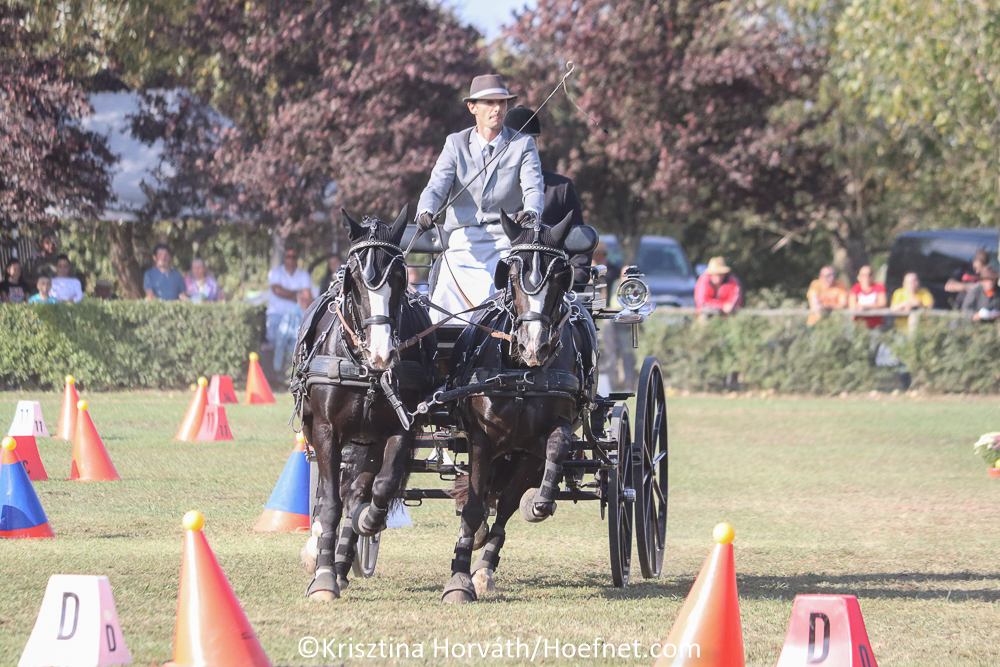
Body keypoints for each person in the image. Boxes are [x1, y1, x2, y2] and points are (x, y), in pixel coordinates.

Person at [415, 74, 544, 322]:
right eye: (489, 102)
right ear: (472, 107)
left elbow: (533, 189)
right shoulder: (455, 144)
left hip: (506, 242)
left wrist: (531, 213)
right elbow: (436, 186)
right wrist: (426, 210)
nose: (497, 108)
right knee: (443, 297)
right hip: (462, 244)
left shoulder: (523, 144)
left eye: (502, 102)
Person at [503, 105, 590, 286]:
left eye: (528, 142)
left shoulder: (560, 189)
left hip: (548, 288)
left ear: (537, 143)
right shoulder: (491, 189)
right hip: (500, 282)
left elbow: (579, 245)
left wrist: (571, 284)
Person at [266, 247, 313, 347]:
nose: (290, 259)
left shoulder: (304, 275)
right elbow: (278, 291)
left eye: (293, 257)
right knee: (274, 345)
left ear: (297, 258)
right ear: (284, 257)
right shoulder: (275, 272)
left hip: (297, 317)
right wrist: (298, 294)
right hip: (277, 314)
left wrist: (287, 293)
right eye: (288, 256)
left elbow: (307, 297)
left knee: (296, 346)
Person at [274, 289, 313, 379]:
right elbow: (282, 336)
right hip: (294, 348)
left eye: (308, 299)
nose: (306, 301)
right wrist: (278, 363)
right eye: (303, 299)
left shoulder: (314, 311)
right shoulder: (291, 313)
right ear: (298, 299)